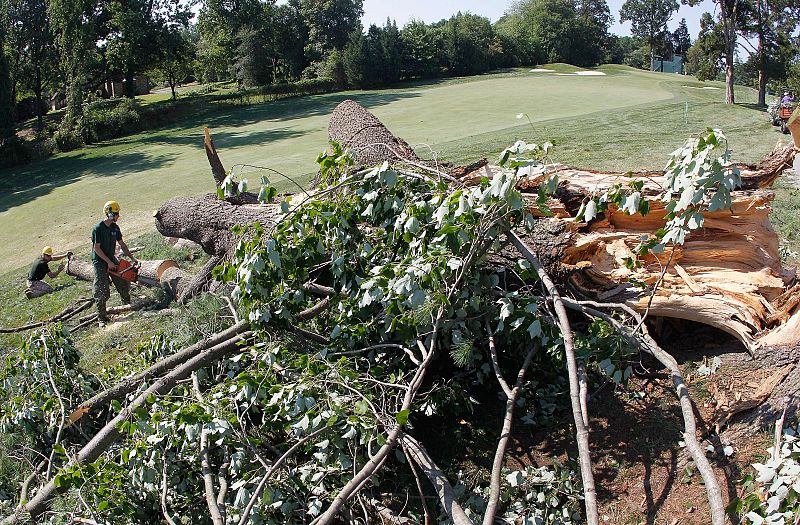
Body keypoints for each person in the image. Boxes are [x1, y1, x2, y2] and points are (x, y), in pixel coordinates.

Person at [92, 200, 138, 327]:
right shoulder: (98, 229)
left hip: (110, 257)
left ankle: (127, 305)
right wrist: (108, 263)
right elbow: (97, 248)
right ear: (110, 214)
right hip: (99, 261)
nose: (118, 216)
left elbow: (122, 244)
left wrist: (133, 259)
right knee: (102, 288)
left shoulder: (115, 227)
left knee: (123, 279)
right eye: (116, 214)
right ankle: (101, 318)